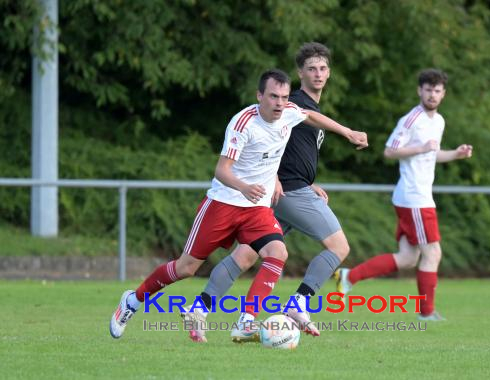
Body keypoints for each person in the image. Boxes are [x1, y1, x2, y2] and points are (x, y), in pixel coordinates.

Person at [109, 68, 368, 340]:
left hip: (256, 209)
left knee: (277, 253)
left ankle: (245, 321)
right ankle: (132, 301)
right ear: (259, 96)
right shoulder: (243, 123)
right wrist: (245, 187)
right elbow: (222, 170)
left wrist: (346, 131)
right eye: (273, 96)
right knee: (186, 268)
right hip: (224, 204)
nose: (279, 103)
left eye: (283, 96)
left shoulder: (289, 111)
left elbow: (311, 115)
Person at [181, 42, 357, 343]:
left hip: (277, 193)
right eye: (311, 68)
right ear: (299, 72)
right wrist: (278, 176)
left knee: (245, 256)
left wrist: (307, 178)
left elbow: (284, 150)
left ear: (330, 73)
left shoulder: (307, 107)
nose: (318, 74)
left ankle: (205, 309)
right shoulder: (290, 104)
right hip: (289, 192)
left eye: (323, 68)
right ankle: (298, 304)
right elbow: (265, 144)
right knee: (339, 247)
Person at [335, 68, 473, 321]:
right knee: (433, 253)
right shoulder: (412, 119)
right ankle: (426, 313)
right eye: (428, 89)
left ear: (443, 94)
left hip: (415, 197)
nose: (432, 94)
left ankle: (349, 277)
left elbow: (433, 154)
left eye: (437, 90)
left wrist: (456, 154)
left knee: (409, 258)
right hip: (414, 197)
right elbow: (389, 151)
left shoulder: (438, 121)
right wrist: (420, 147)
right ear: (419, 90)